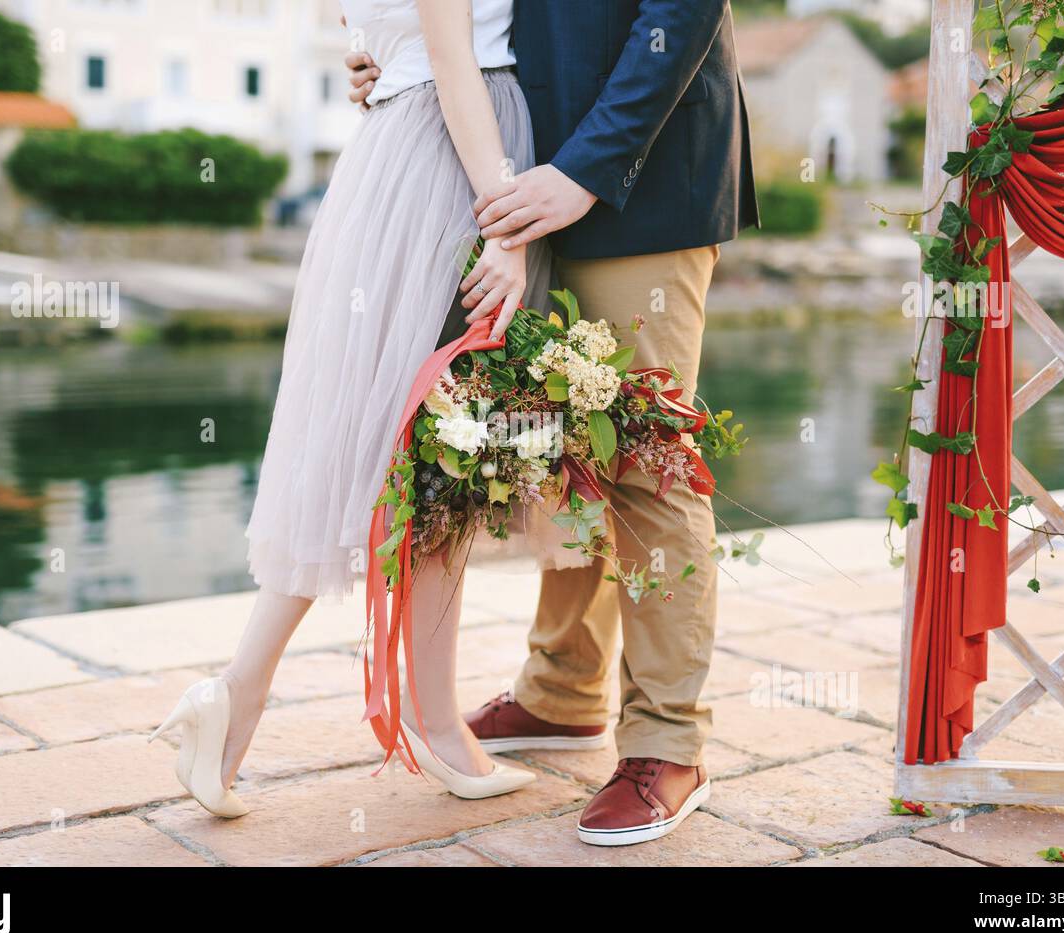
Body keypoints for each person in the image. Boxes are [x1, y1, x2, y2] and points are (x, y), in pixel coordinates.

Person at [347, 0, 759, 845]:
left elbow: (679, 14)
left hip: (638, 177)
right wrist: (408, 60)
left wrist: (585, 170)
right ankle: (564, 691)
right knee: (566, 448)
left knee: (646, 458)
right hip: (516, 176)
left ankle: (668, 742)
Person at [149, 0, 551, 816]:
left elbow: (386, 36)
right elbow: (451, 57)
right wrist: (502, 223)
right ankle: (415, 718)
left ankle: (245, 699)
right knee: (443, 443)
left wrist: (376, 59)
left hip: (417, 150)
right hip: (456, 153)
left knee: (422, 445)